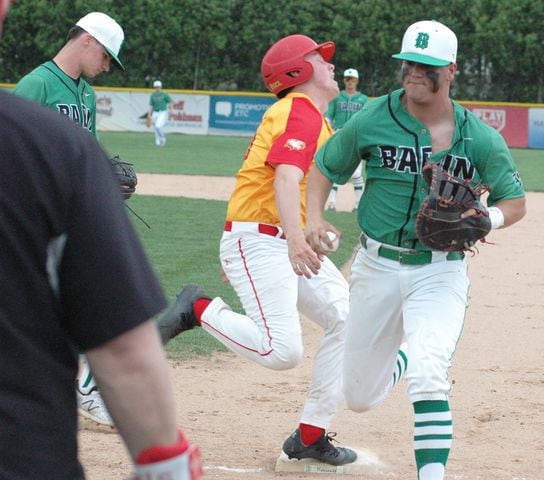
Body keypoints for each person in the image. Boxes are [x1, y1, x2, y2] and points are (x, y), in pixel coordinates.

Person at [163, 34, 407, 467]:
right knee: (282, 352)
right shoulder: (299, 110)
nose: (330, 64)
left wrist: (303, 235)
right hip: (265, 240)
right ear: (297, 72)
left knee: (345, 318)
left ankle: (309, 438)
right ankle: (198, 308)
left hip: (272, 239)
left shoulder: (314, 117)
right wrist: (292, 240)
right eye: (319, 57)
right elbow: (285, 179)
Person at [305, 20, 526, 480]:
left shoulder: (477, 136)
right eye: (409, 63)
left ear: (451, 70)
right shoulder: (371, 117)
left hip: (439, 271)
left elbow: (515, 200)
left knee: (430, 372)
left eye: (427, 66)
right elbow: (325, 167)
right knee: (360, 397)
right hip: (375, 267)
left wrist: (490, 218)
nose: (414, 72)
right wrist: (313, 216)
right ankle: (403, 353)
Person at [0, 2, 204, 478]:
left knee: (91, 303)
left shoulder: (86, 95)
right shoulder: (36, 83)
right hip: (37, 223)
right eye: (107, 56)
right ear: (86, 40)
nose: (107, 66)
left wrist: (102, 178)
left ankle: (85, 386)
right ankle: (84, 388)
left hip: (74, 212)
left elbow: (80, 149)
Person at [325, 68, 368, 212]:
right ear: (344, 81)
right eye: (348, 79)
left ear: (357, 81)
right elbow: (329, 116)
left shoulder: (363, 99)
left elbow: (366, 119)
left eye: (353, 80)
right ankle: (331, 202)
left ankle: (358, 204)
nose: (350, 82)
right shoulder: (338, 97)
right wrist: (328, 130)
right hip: (339, 134)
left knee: (356, 173)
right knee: (336, 167)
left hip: (356, 136)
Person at [147, 79, 173, 146]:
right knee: (155, 128)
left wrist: (171, 110)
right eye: (156, 87)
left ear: (160, 87)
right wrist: (149, 114)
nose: (157, 88)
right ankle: (158, 141)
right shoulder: (153, 95)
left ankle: (163, 137)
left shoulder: (164, 94)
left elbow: (170, 101)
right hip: (155, 112)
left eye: (158, 87)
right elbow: (151, 105)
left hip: (162, 112)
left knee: (158, 126)